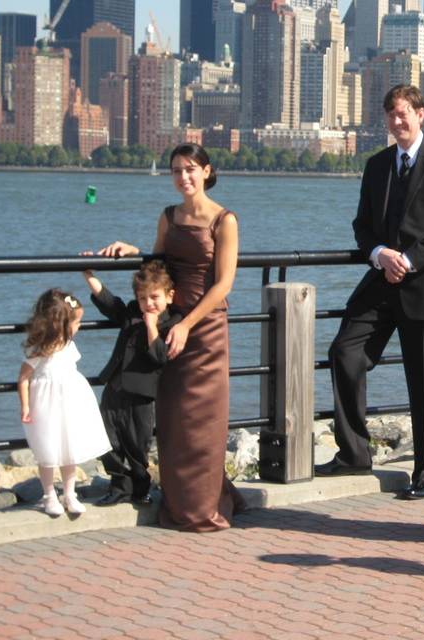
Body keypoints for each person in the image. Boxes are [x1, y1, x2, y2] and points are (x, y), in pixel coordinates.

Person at [315, 85, 424, 501]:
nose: (396, 122)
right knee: (344, 353)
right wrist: (380, 253)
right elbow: (362, 225)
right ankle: (353, 453)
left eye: (403, 114)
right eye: (390, 115)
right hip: (381, 283)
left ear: (421, 114)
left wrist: (410, 259)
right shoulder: (377, 164)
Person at [97, 142, 244, 532]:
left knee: (203, 422)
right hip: (171, 327)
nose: (184, 177)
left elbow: (223, 284)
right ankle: (185, 496)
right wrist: (135, 252)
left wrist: (186, 324)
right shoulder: (169, 216)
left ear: (207, 172)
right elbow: (159, 266)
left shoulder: (224, 220)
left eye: (191, 169)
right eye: (177, 170)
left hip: (205, 329)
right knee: (174, 418)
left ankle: (203, 506)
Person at [81, 260, 181, 506]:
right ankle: (118, 487)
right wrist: (89, 275)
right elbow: (110, 304)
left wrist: (151, 326)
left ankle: (140, 488)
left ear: (170, 296)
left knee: (137, 445)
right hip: (114, 387)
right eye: (142, 297)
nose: (148, 304)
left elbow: (159, 357)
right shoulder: (132, 312)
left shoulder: (173, 321)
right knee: (107, 439)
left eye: (154, 297)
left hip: (142, 394)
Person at [17, 290, 111, 516]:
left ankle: (70, 494)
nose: (79, 326)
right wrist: (26, 406)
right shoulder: (39, 348)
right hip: (46, 404)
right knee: (48, 449)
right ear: (60, 323)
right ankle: (49, 495)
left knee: (70, 448)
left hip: (71, 401)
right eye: (76, 322)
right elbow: (23, 378)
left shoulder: (69, 345)